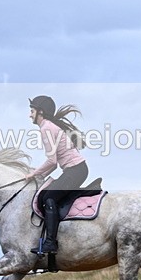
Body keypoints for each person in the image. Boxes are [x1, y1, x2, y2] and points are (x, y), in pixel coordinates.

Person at [26, 95, 88, 256]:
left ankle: (50, 243)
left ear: (40, 112)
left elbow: (52, 161)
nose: (30, 115)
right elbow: (53, 164)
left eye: (32, 111)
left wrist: (34, 173)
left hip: (75, 170)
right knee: (47, 194)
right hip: (76, 170)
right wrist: (38, 176)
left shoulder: (46, 128)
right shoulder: (49, 126)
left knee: (49, 198)